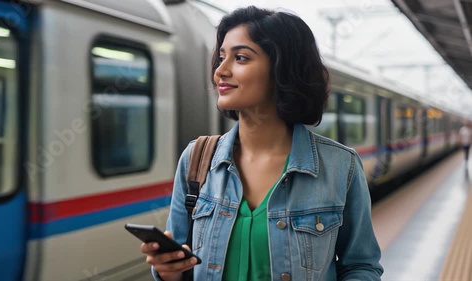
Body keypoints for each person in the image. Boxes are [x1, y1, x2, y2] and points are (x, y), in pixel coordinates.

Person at [141, 6, 383, 281]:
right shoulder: (197, 159)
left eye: (240, 58)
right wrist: (166, 270)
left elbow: (361, 266)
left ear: (282, 69)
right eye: (221, 58)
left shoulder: (340, 166)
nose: (221, 70)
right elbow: (179, 267)